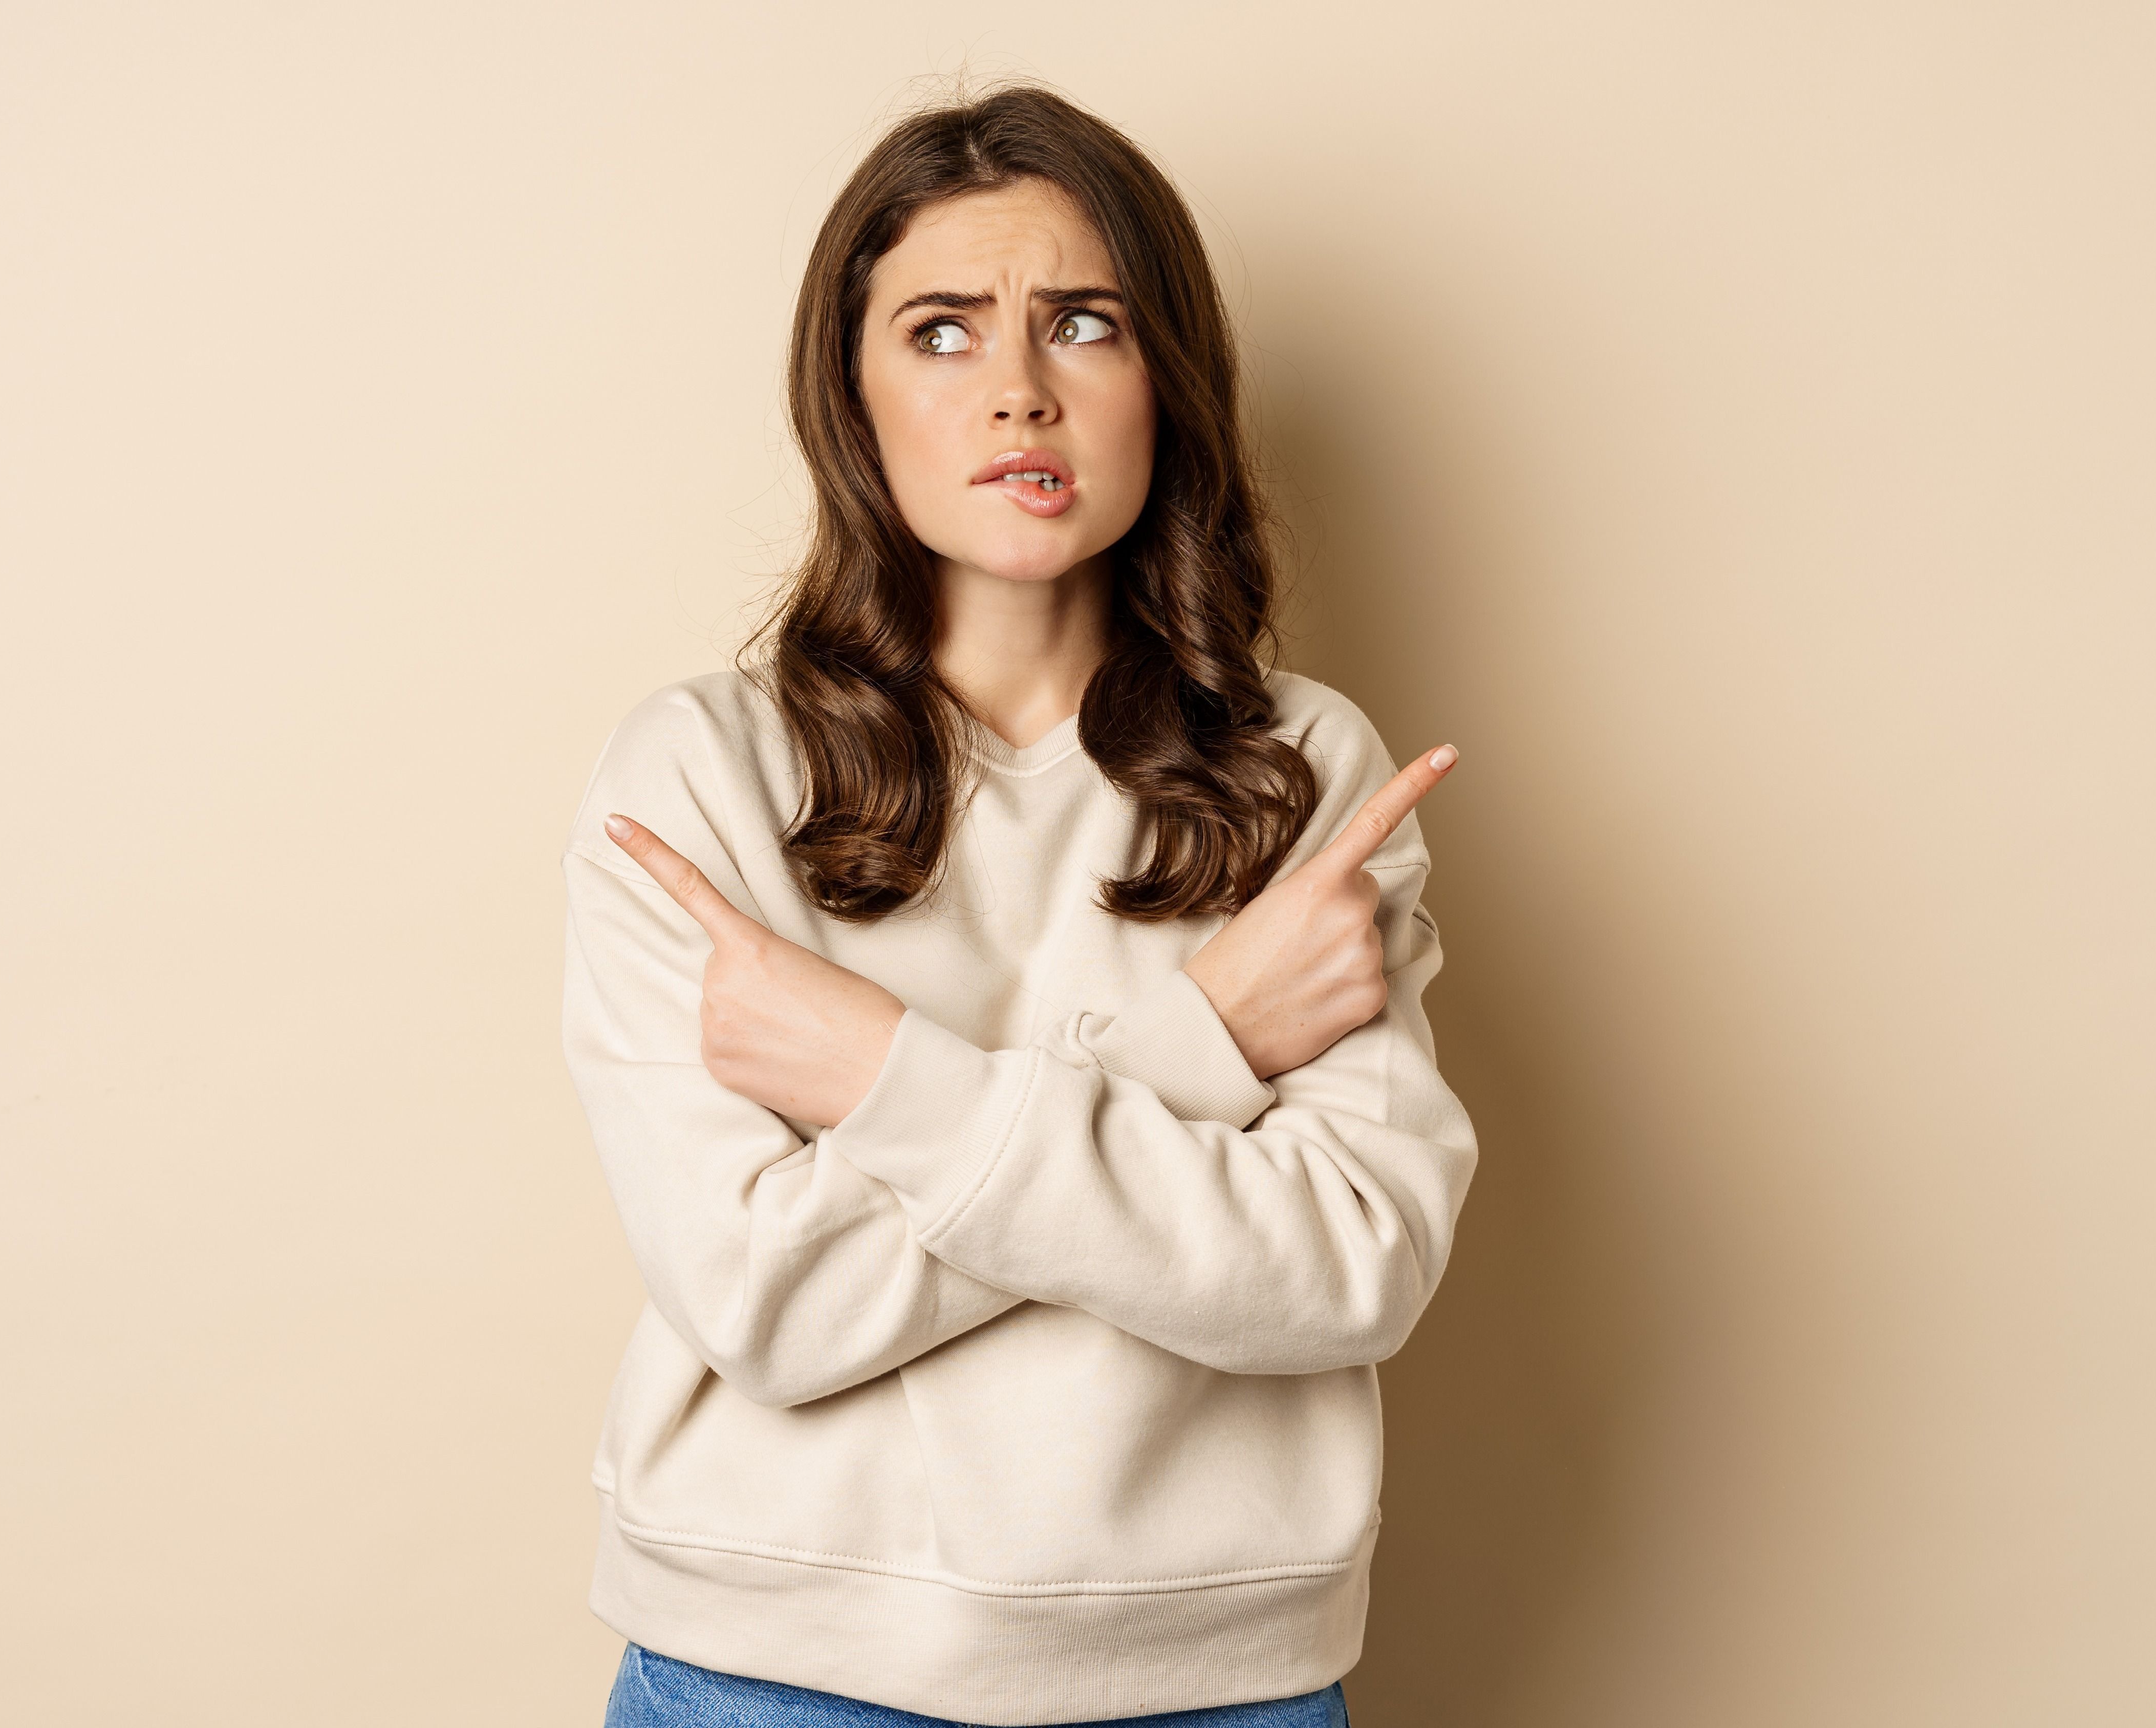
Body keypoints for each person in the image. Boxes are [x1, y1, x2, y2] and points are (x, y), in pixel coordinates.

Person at [560, 84, 1478, 1727]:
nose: (1018, 392)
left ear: (1166, 380)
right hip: (769, 1676)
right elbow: (769, 1301)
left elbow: (1355, 1262)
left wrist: (882, 1083)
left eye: (1084, 324)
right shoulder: (699, 774)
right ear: (850, 398)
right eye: (941, 332)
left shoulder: (1303, 770)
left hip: (1217, 1680)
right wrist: (1205, 1042)